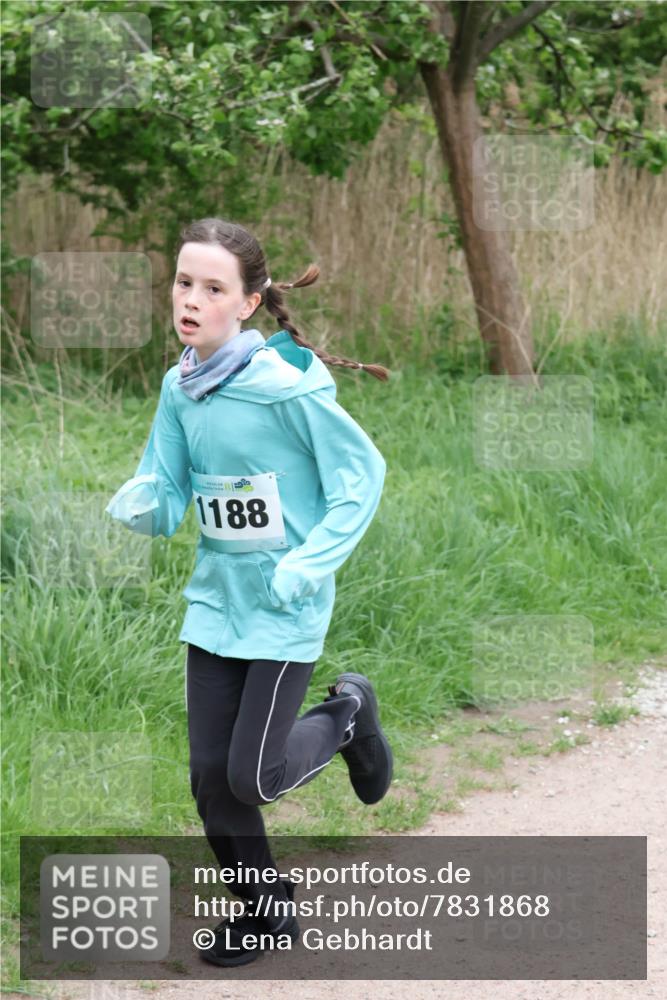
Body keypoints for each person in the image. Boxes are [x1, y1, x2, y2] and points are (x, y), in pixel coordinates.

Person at [105, 217, 392, 968]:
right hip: (215, 604)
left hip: (284, 604)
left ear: (250, 303)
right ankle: (265, 917)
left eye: (211, 288)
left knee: (252, 776)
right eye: (182, 282)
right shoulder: (180, 386)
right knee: (210, 781)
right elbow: (168, 495)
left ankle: (348, 713)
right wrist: (139, 502)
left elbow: (360, 479)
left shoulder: (283, 391)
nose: (190, 299)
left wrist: (309, 565)